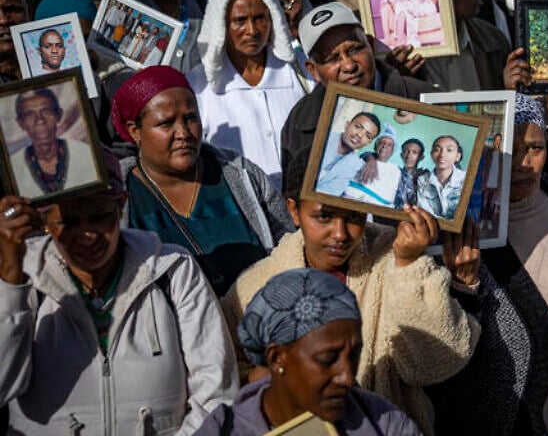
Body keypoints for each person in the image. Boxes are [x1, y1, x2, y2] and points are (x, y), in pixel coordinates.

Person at [219, 149, 480, 435]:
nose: (340, 234)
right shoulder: (256, 286)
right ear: (294, 211)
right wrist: (266, 378)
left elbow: (434, 363)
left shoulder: (393, 255)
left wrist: (408, 265)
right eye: (324, 216)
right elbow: (228, 371)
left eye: (354, 216)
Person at [0, 150, 238, 434]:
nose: (87, 234)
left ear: (121, 205)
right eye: (69, 222)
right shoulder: (24, 277)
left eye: (99, 217)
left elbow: (216, 392)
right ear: (46, 221)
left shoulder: (173, 270)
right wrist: (10, 283)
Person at [429, 94, 548, 435]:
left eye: (535, 148)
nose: (523, 163)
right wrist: (464, 284)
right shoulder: (460, 231)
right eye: (510, 150)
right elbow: (448, 344)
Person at [111, 65, 294, 296]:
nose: (183, 133)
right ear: (135, 131)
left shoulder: (242, 175)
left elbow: (289, 249)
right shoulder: (117, 197)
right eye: (166, 123)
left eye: (190, 118)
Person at [200, 269, 422, 435]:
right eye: (327, 359)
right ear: (277, 358)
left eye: (353, 355)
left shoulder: (385, 422)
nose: (347, 378)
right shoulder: (223, 429)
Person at [279, 2, 434, 176]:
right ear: (313, 70)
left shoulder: (424, 97)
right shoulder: (300, 123)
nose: (348, 65)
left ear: (371, 46)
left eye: (354, 50)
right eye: (332, 58)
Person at [187, 0, 308, 188]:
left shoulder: (301, 68)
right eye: (240, 21)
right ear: (221, 24)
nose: (252, 31)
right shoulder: (198, 86)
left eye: (260, 18)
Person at [8, 88, 98, 198]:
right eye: (30, 114)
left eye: (46, 111)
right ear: (20, 123)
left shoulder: (86, 154)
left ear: (58, 115)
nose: (40, 120)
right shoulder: (13, 167)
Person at [316, 111, 381, 195]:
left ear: (368, 143)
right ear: (347, 125)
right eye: (357, 127)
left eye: (367, 136)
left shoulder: (354, 165)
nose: (360, 135)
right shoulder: (321, 137)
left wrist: (372, 160)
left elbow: (330, 192)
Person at [346, 127, 402, 206]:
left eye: (389, 145)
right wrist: (370, 159)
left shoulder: (395, 171)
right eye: (382, 143)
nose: (384, 146)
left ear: (392, 151)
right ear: (375, 146)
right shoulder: (362, 161)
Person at [414, 135, 466, 220]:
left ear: (458, 156)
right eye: (437, 150)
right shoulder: (422, 180)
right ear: (431, 154)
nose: (442, 155)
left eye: (449, 150)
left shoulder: (466, 179)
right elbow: (424, 213)